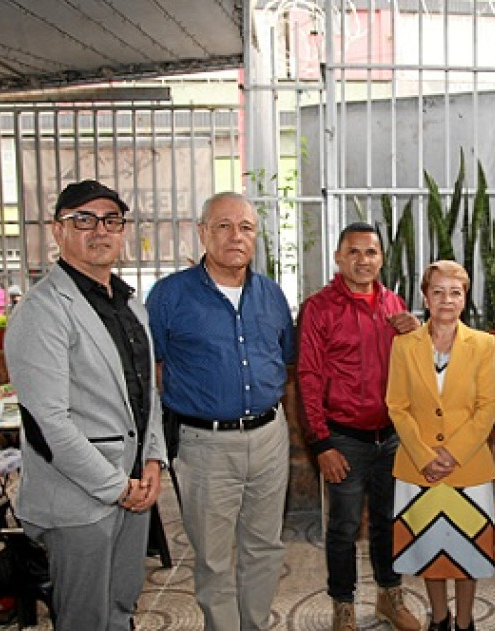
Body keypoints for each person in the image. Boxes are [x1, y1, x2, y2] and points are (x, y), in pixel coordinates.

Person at [4, 179, 167, 630]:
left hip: (134, 487)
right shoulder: (42, 310)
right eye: (84, 220)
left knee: (119, 610)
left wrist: (153, 460)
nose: (100, 230)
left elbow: (147, 395)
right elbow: (47, 423)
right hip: (78, 500)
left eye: (111, 220)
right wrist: (117, 485)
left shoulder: (132, 307)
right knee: (84, 620)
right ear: (58, 231)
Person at [146, 192, 295, 631]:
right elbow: (152, 367)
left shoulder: (271, 294)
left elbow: (283, 358)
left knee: (265, 547)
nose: (236, 236)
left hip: (270, 436)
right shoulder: (171, 295)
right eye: (224, 226)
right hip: (204, 444)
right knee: (212, 556)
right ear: (203, 232)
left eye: (246, 227)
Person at [297, 222, 422, 631]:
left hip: (390, 437)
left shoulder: (393, 304)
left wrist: (417, 334)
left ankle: (390, 596)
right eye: (353, 251)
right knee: (344, 527)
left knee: (388, 521)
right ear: (338, 257)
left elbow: (414, 369)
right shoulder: (319, 308)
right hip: (344, 439)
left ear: (381, 258)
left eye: (370, 252)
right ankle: (343, 604)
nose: (362, 260)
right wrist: (321, 444)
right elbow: (309, 377)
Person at [386, 261, 495, 631]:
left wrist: (452, 454)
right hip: (416, 468)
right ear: (425, 297)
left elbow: (489, 405)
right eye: (437, 291)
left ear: (464, 298)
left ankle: (465, 622)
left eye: (455, 292)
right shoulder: (404, 346)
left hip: (468, 468)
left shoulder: (483, 344)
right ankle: (439, 618)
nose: (446, 300)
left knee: (468, 552)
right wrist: (424, 455)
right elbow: (396, 406)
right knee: (429, 549)